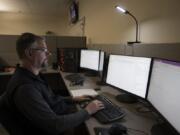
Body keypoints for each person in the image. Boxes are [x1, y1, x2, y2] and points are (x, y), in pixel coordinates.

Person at [0, 33, 104, 135]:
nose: (49, 53)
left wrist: (72, 99)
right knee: (93, 126)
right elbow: (54, 125)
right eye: (44, 50)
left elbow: (50, 98)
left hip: (56, 114)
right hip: (51, 127)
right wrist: (87, 111)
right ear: (30, 53)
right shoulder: (25, 88)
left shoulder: (32, 76)